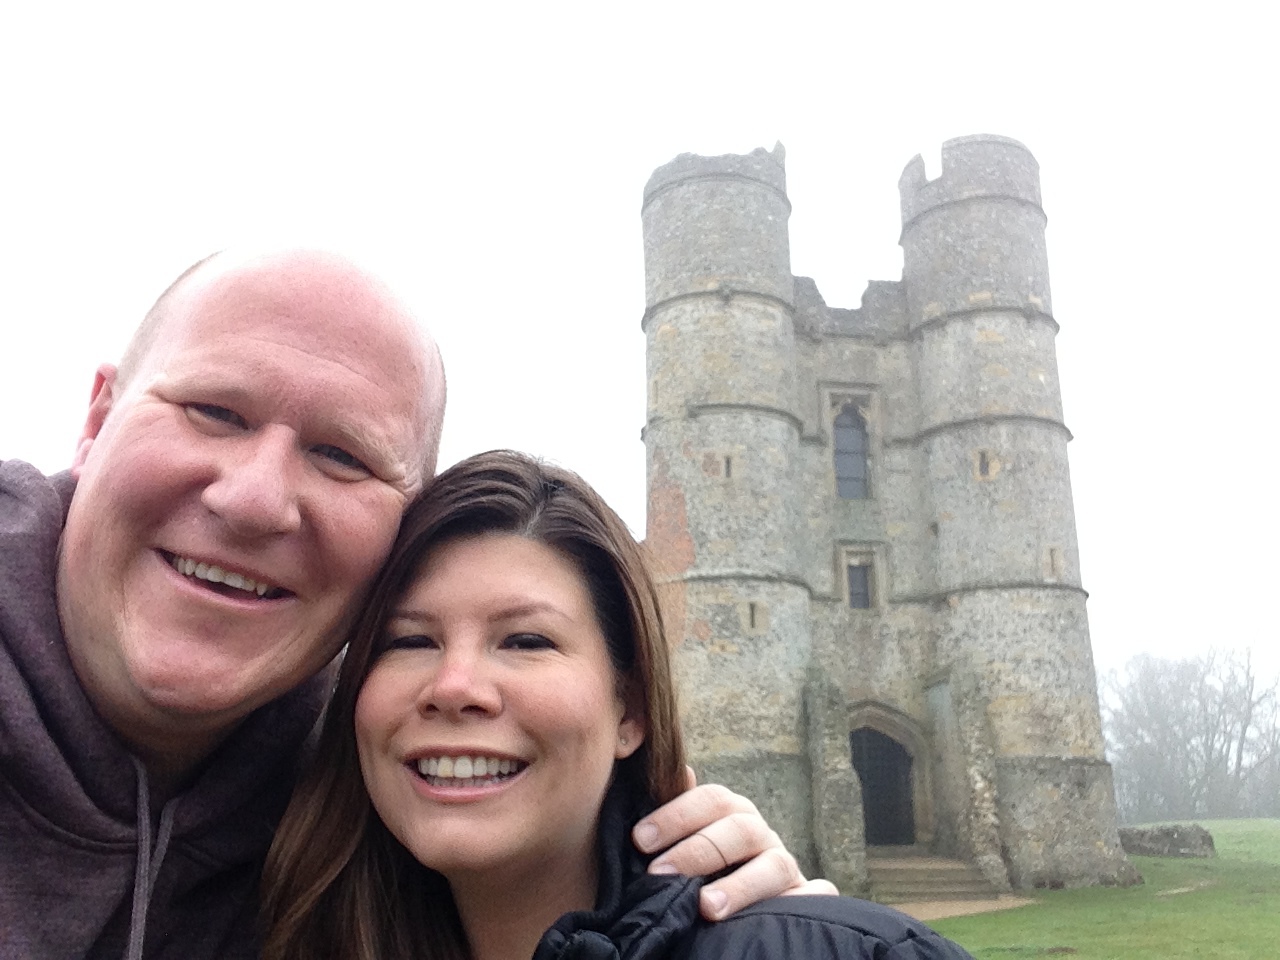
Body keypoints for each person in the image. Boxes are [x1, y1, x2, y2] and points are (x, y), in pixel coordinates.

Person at [0, 250, 830, 960]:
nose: (255, 500)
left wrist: (772, 926)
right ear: (98, 416)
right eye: (213, 411)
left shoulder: (363, 806)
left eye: (342, 455)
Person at [261, 450, 974, 960]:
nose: (455, 687)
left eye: (526, 639)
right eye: (409, 640)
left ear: (629, 710)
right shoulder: (283, 927)